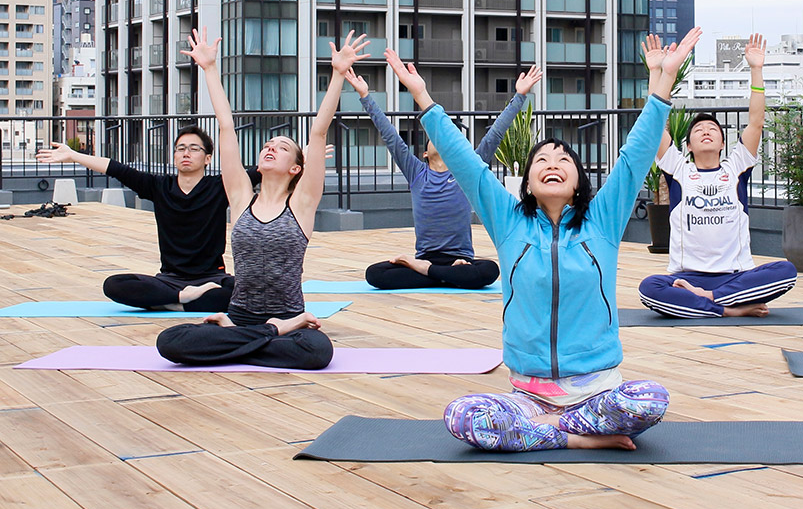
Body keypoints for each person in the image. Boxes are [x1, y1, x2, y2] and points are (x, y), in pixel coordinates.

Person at [391, 29, 702, 451]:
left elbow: (634, 156)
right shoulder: (509, 222)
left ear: (578, 182)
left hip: (598, 392)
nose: (552, 163)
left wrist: (663, 82)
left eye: (562, 160)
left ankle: (556, 432)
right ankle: (575, 437)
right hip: (528, 397)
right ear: (529, 182)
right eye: (542, 160)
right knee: (461, 417)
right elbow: (467, 163)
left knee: (650, 400)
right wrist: (424, 99)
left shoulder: (602, 220)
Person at [155, 28, 368, 369]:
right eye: (268, 145)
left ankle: (241, 342)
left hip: (288, 317)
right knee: (169, 341)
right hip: (245, 317)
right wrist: (209, 69)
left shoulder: (302, 204)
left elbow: (318, 131)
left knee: (318, 351)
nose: (270, 147)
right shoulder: (240, 198)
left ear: (296, 168)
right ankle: (267, 336)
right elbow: (226, 127)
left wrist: (338, 75)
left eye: (282, 148)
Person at [339, 63, 543, 290]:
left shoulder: (467, 172)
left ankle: (429, 273)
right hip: (426, 257)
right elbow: (390, 136)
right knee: (375, 274)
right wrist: (365, 96)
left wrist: (520, 95)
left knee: (490, 270)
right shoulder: (416, 172)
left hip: (460, 259)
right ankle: (444, 275)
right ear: (424, 152)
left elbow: (495, 135)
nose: (441, 139)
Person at [637, 33, 797, 318]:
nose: (706, 131)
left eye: (713, 129)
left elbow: (756, 123)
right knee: (649, 288)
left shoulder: (736, 166)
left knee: (786, 271)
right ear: (688, 146)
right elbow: (654, 129)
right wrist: (656, 72)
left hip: (735, 276)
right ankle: (728, 309)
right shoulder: (679, 169)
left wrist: (756, 70)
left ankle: (708, 300)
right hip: (687, 278)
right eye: (698, 130)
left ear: (723, 143)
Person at [36, 126, 261, 312]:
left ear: (207, 158)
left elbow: (264, 171)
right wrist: (73, 155)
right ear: (174, 155)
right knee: (114, 285)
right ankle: (182, 297)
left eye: (194, 149)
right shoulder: (159, 186)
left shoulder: (222, 187)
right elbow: (117, 169)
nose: (186, 153)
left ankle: (173, 304)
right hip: (170, 280)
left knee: (252, 291)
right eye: (180, 149)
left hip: (212, 280)